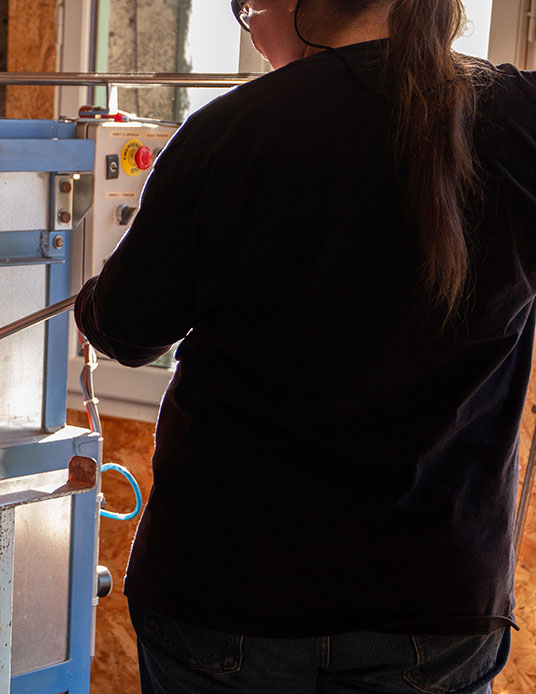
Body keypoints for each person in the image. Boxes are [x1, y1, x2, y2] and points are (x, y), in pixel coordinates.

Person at [73, 0, 536, 692]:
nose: (250, 30)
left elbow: (125, 332)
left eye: (246, 8)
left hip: (227, 589)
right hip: (435, 596)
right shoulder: (519, 120)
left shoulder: (232, 130)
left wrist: (96, 293)